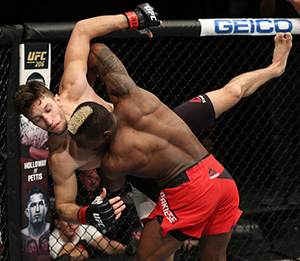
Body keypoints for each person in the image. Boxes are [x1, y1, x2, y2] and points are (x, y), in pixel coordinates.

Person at [67, 32, 292, 260]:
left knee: (145, 258)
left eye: (83, 143)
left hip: (191, 191)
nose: (80, 146)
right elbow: (97, 51)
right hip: (221, 179)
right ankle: (274, 68)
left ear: (104, 135)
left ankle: (275, 68)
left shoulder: (114, 161)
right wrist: (89, 88)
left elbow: (114, 186)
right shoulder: (127, 93)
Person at [14, 3, 161, 230]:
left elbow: (82, 29)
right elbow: (64, 205)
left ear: (58, 99)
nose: (49, 121)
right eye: (38, 120)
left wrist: (134, 19)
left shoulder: (74, 87)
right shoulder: (60, 157)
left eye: (48, 110)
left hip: (151, 133)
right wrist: (87, 214)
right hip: (138, 175)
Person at [50, 216, 126, 260]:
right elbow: (69, 256)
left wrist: (125, 249)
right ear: (57, 223)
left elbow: (107, 244)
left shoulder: (85, 229)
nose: (72, 224)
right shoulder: (51, 239)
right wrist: (83, 252)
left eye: (74, 219)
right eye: (67, 220)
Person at [21, 184, 51, 259]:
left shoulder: (50, 230)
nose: (37, 210)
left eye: (40, 204)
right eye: (33, 205)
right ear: (27, 212)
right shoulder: (22, 235)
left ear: (46, 208)